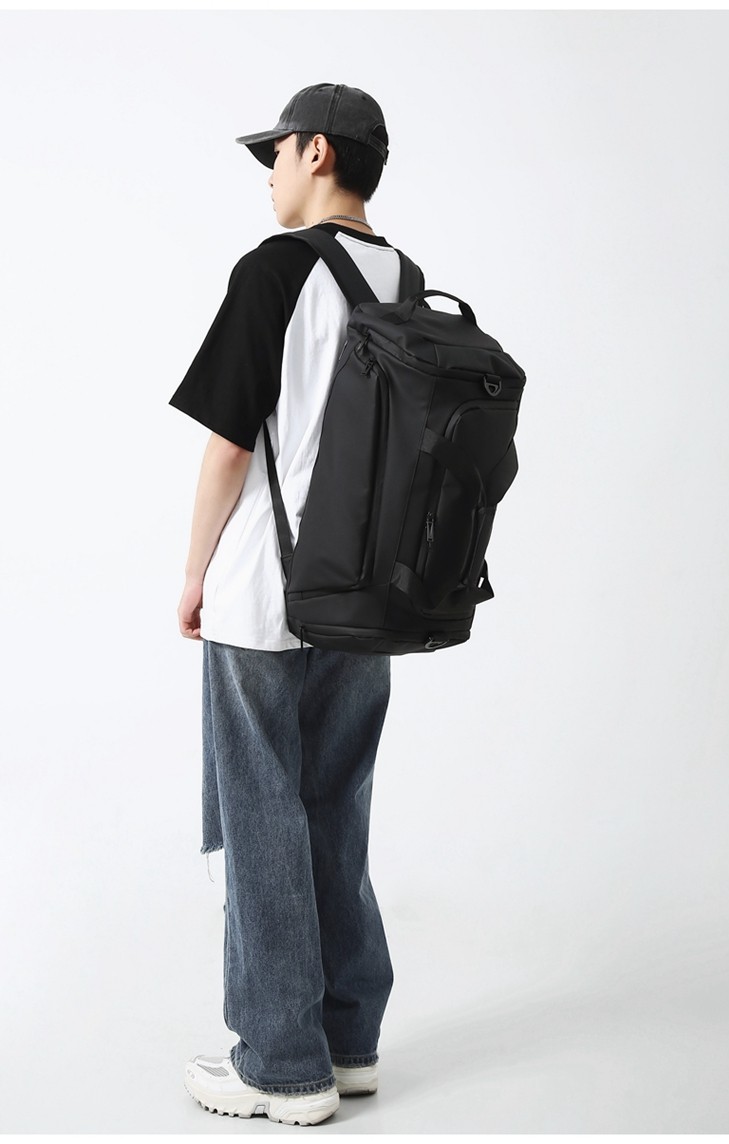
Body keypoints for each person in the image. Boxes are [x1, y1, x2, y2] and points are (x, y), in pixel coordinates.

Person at [169, 83, 417, 1127]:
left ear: (318, 152)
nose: (269, 173)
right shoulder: (406, 280)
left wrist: (194, 571)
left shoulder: (274, 269)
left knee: (262, 812)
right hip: (369, 599)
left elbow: (229, 444)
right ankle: (349, 1043)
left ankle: (280, 1063)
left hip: (265, 594)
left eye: (276, 153)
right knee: (335, 803)